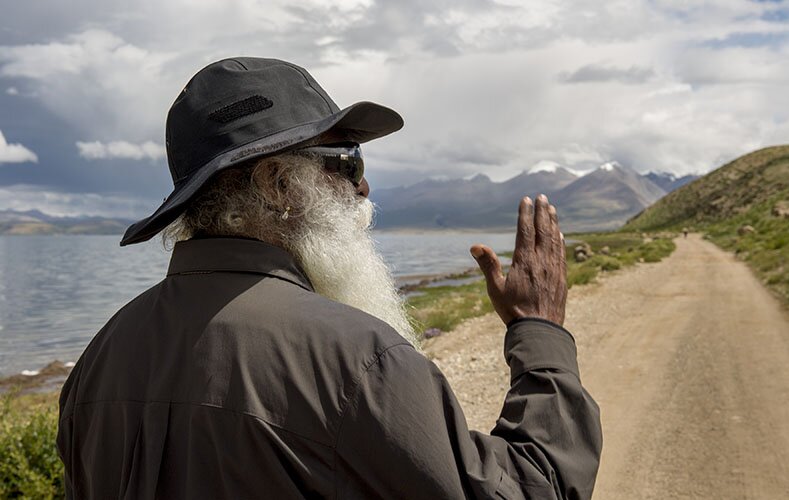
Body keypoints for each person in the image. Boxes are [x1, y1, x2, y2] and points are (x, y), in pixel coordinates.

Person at [57, 57, 602, 499]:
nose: (362, 189)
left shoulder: (97, 361)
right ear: (275, 185)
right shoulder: (360, 361)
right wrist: (539, 332)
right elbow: (533, 489)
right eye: (347, 162)